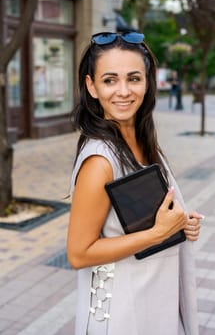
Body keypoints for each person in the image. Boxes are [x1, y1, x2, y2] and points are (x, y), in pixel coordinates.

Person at [67, 32, 203, 335]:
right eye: (110, 80)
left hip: (153, 301)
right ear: (91, 86)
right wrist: (158, 233)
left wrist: (179, 224)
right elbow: (78, 253)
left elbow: (140, 221)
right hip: (120, 314)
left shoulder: (141, 141)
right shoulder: (100, 161)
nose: (124, 91)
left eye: (134, 78)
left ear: (147, 81)